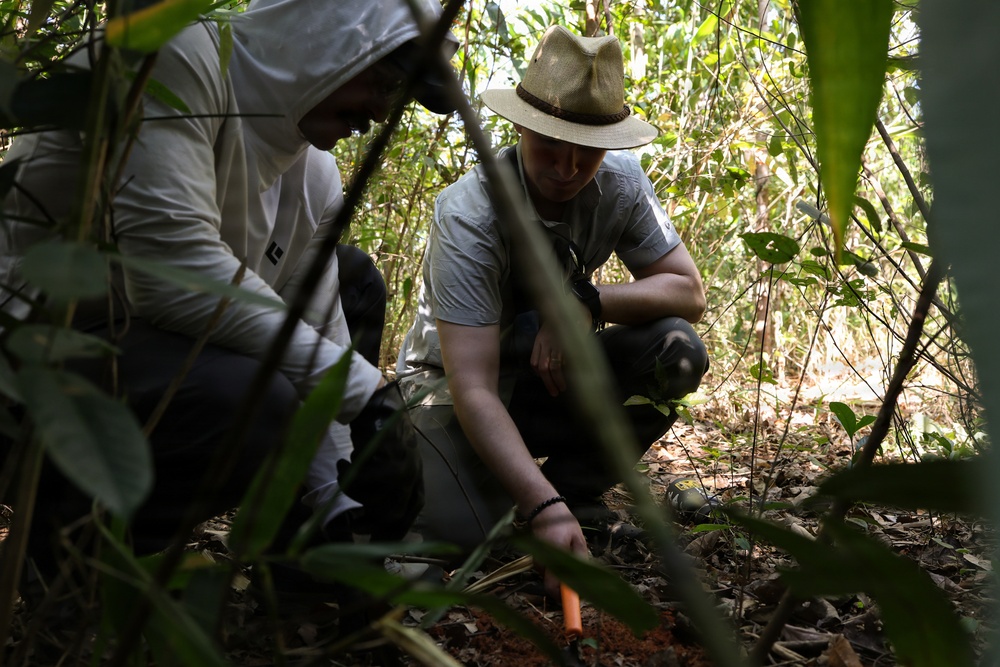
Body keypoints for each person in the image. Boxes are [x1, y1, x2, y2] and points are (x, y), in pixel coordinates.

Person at [0, 0, 456, 578]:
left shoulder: (313, 176)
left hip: (141, 362)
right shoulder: (175, 57)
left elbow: (318, 332)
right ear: (329, 37)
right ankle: (68, 562)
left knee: (353, 282)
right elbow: (173, 272)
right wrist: (367, 396)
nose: (379, 112)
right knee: (257, 399)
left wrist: (340, 501)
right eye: (383, 82)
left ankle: (305, 556)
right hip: (29, 358)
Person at [396, 25, 709, 596]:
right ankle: (539, 504)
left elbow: (689, 292)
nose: (567, 169)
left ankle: (574, 495)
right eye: (550, 147)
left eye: (588, 152)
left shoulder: (622, 184)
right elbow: (472, 386)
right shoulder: (470, 214)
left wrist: (583, 303)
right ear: (520, 127)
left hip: (548, 379)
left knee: (676, 350)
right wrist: (539, 506)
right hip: (453, 390)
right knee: (463, 539)